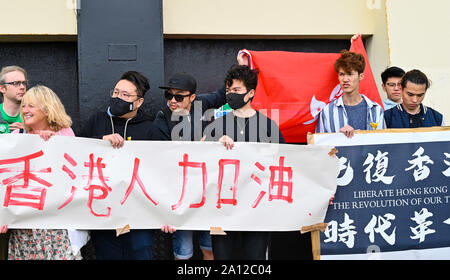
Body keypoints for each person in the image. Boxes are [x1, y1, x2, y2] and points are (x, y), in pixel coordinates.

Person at [203, 64, 285, 260]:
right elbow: (201, 160)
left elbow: (285, 162)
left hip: (256, 210)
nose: (231, 94)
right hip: (222, 210)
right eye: (229, 90)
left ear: (250, 93)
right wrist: (212, 144)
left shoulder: (268, 126)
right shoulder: (217, 125)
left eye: (237, 90)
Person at [79, 71, 163, 260]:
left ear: (139, 102)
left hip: (140, 214)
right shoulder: (97, 120)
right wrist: (100, 141)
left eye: (125, 95)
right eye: (116, 93)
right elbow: (77, 152)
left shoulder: (150, 129)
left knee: (141, 253)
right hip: (103, 211)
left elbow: (160, 169)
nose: (118, 98)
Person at [0, 85, 88, 260]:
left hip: (56, 227)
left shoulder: (65, 134)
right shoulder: (17, 135)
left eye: (31, 106)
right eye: (23, 105)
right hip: (25, 227)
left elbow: (74, 175)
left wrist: (53, 145)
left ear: (47, 109)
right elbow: (6, 180)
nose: (25, 110)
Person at [156, 72, 226, 260]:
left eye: (179, 96)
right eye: (169, 95)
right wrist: (197, 148)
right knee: (183, 250)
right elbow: (160, 158)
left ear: (192, 97)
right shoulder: (162, 118)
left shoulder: (201, 104)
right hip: (180, 192)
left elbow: (223, 94)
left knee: (209, 247)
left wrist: (244, 66)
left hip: (207, 190)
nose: (172, 100)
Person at [316, 50, 385, 137]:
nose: (345, 79)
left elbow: (382, 143)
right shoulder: (327, 111)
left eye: (350, 74)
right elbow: (320, 145)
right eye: (341, 74)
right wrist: (339, 138)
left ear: (361, 76)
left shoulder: (376, 110)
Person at [0, 65, 28, 260]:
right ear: (2, 88)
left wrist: (29, 133)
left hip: (23, 196)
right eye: (15, 83)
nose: (22, 87)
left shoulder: (32, 116)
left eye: (24, 83)